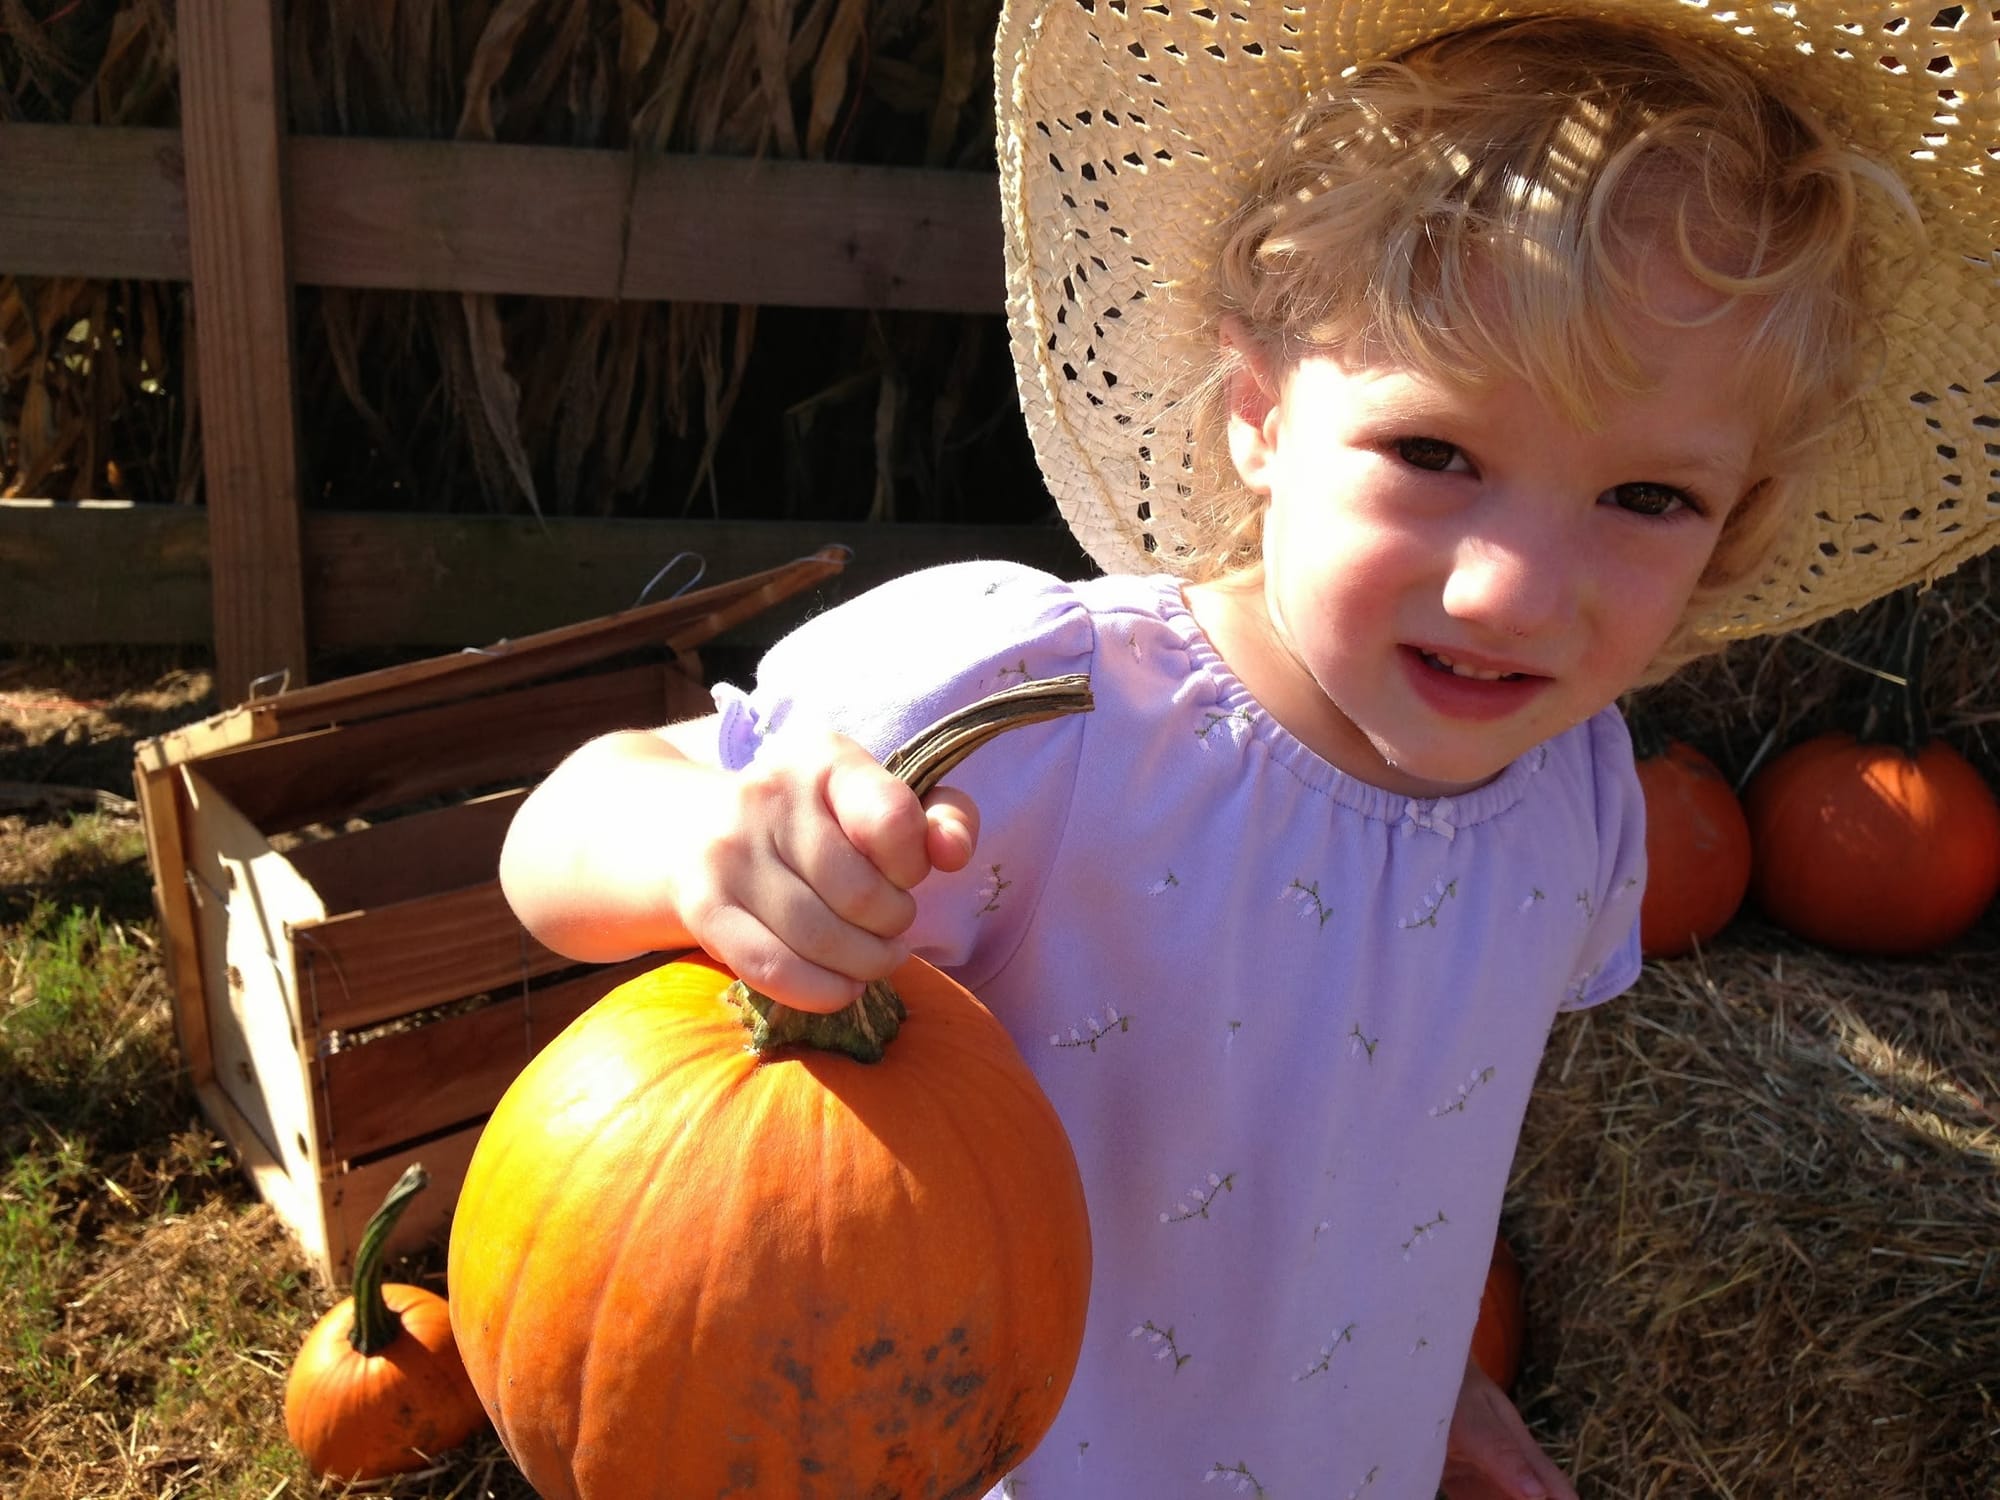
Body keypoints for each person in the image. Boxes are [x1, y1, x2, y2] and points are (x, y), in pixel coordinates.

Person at [500, 3, 1993, 1495]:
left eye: (1647, 497)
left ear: (1736, 523)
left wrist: (1434, 1386)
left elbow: (1392, 1158)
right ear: (1260, 411)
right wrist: (704, 845)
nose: (1513, 589)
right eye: (1434, 455)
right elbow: (554, 842)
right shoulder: (1047, 715)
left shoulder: (1578, 801)